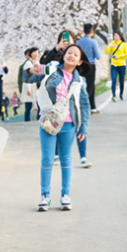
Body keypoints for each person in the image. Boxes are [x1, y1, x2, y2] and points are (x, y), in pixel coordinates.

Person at [24, 44, 91, 212]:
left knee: (66, 160)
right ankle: (45, 196)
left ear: (79, 61)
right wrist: (32, 71)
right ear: (63, 55)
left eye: (75, 55)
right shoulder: (51, 68)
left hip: (68, 124)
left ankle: (65, 195)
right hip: (48, 121)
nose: (71, 56)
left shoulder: (79, 81)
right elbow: (28, 77)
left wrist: (83, 128)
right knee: (47, 159)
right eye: (69, 52)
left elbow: (84, 105)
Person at [76, 24, 102, 114]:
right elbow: (98, 56)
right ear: (92, 31)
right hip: (90, 65)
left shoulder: (78, 42)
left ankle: (93, 108)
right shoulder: (93, 42)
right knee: (90, 86)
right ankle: (83, 105)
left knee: (82, 86)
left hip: (80, 66)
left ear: (83, 31)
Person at [105, 31, 127, 103]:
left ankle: (121, 94)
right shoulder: (112, 43)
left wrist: (119, 56)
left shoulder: (124, 44)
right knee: (114, 80)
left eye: (116, 35)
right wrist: (109, 47)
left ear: (120, 36)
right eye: (114, 36)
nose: (115, 37)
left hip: (122, 65)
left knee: (121, 81)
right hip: (114, 65)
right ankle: (114, 95)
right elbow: (106, 52)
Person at [21, 47, 40, 122]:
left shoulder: (38, 63)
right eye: (34, 52)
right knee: (29, 106)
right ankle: (26, 120)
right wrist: (28, 89)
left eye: (37, 52)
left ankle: (38, 119)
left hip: (36, 87)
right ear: (30, 54)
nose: (36, 54)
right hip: (30, 86)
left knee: (38, 104)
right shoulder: (28, 63)